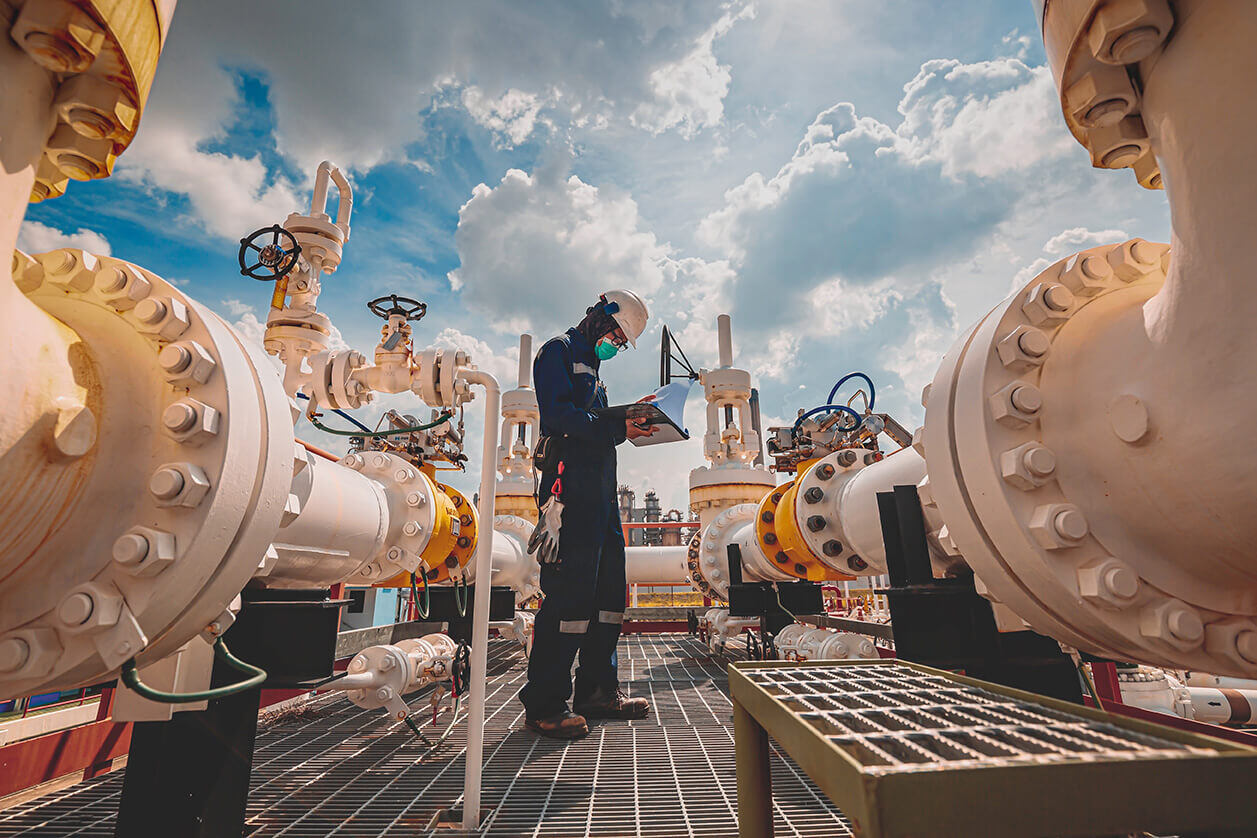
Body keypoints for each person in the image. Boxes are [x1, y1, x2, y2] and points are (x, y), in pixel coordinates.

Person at [519, 289, 655, 739]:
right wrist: (617, 425)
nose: (614, 346)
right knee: (569, 599)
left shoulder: (595, 373)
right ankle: (545, 703)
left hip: (601, 497)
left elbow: (596, 425)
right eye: (615, 337)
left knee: (608, 597)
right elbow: (559, 417)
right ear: (600, 317)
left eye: (620, 343)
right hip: (568, 492)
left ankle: (597, 691)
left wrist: (633, 417)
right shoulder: (557, 352)